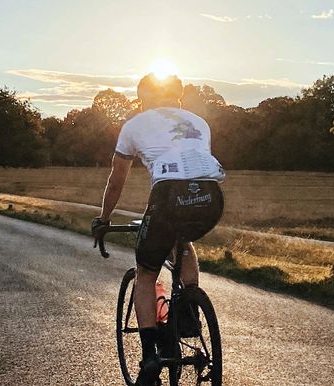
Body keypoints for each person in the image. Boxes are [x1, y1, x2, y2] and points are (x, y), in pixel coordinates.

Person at [92, 73, 225, 385]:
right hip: (212, 196)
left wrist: (104, 218)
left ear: (142, 98)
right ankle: (189, 309)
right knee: (183, 239)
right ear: (177, 97)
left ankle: (150, 356)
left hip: (168, 196)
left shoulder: (135, 124)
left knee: (146, 272)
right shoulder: (199, 122)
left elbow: (117, 178)